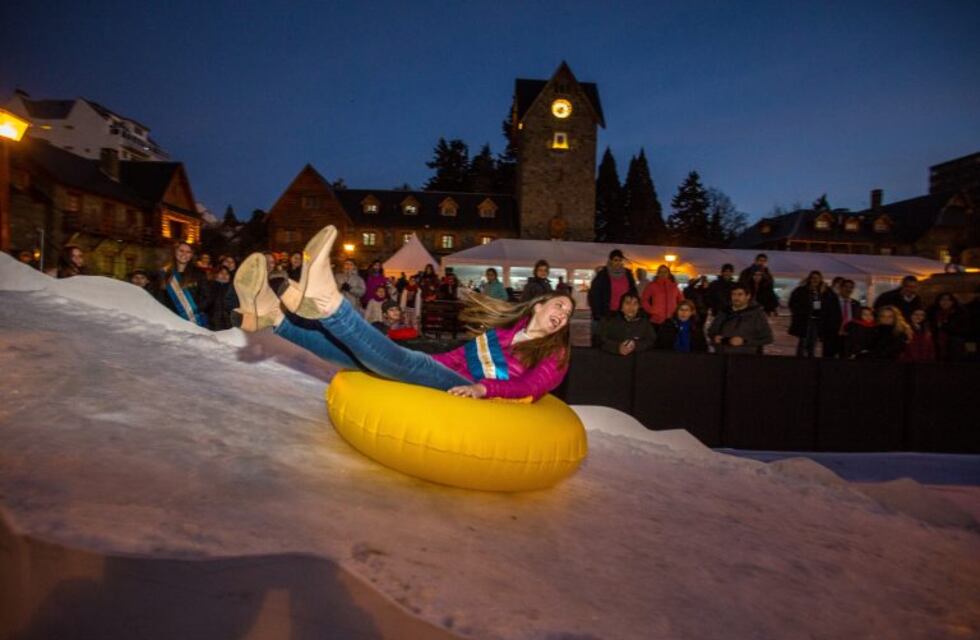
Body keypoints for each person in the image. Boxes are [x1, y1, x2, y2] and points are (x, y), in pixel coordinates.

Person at [233, 225, 574, 401]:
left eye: (568, 313)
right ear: (539, 305)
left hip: (481, 396)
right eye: (559, 304)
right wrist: (423, 365)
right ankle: (271, 316)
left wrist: (485, 390)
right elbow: (456, 358)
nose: (563, 313)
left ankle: (327, 303)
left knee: (404, 361)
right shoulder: (505, 333)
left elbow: (530, 387)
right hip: (457, 380)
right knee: (359, 358)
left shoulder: (555, 352)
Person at [156, 241, 212, 327]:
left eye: (188, 252)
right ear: (175, 252)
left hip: (193, 320)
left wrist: (193, 310)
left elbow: (208, 297)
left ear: (191, 255)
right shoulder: (164, 273)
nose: (184, 254)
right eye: (181, 250)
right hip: (170, 321)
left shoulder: (199, 274)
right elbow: (160, 298)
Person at [706, 284, 774, 355]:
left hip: (746, 357)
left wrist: (744, 341)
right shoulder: (724, 312)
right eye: (733, 294)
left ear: (748, 296)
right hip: (723, 354)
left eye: (740, 294)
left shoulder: (756, 314)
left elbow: (768, 338)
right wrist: (715, 338)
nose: (736, 297)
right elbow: (711, 331)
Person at [588, 249, 637, 340]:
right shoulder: (603, 274)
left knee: (621, 336)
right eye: (615, 260)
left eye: (620, 260)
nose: (618, 262)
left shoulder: (628, 274)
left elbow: (633, 292)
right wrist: (597, 311)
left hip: (623, 311)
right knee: (606, 336)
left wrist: (634, 308)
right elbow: (594, 294)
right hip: (607, 311)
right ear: (610, 261)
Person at [788, 271, 832, 358]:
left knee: (813, 343)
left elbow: (828, 303)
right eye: (813, 278)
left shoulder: (823, 292)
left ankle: (810, 361)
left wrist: (823, 293)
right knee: (803, 342)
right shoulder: (801, 290)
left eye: (817, 278)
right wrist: (799, 313)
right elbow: (793, 303)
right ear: (809, 279)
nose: (815, 280)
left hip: (816, 321)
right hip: (805, 320)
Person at [597, 292, 655, 356]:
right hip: (613, 360)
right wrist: (617, 348)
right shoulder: (610, 321)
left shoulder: (644, 323)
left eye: (635, 303)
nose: (631, 307)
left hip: (637, 361)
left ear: (639, 307)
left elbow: (651, 341)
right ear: (621, 307)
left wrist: (635, 345)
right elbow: (600, 340)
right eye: (628, 303)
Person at [821, 279, 861, 358]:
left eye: (851, 287)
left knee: (845, 361)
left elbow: (857, 320)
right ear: (841, 288)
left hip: (848, 338)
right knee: (828, 360)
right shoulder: (830, 302)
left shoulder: (856, 304)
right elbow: (823, 318)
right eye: (846, 287)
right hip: (832, 336)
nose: (848, 289)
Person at [926, 292, 969, 362]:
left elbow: (962, 329)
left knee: (956, 342)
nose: (945, 302)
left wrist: (944, 326)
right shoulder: (932, 312)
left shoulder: (959, 313)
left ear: (952, 302)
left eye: (948, 300)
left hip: (953, 338)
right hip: (935, 336)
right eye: (942, 300)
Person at [208, 266, 235, 330]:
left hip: (229, 325)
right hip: (210, 325)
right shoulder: (208, 287)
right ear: (216, 274)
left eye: (227, 274)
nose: (224, 275)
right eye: (221, 273)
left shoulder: (234, 290)